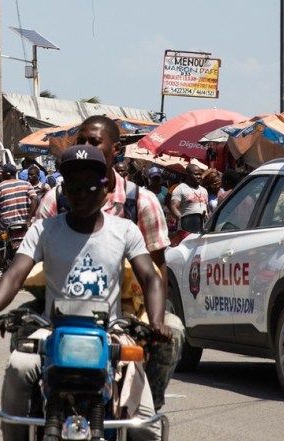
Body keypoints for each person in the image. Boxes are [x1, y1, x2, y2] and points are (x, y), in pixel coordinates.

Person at [0, 145, 172, 441]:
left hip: (111, 333)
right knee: (19, 365)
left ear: (104, 188)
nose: (81, 194)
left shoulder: (125, 230)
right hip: (52, 331)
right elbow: (14, 275)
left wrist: (156, 321)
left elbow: (150, 278)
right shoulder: (44, 230)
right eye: (74, 187)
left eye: (90, 186)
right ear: (64, 189)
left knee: (146, 429)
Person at [36, 115, 183, 411]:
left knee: (173, 332)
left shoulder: (142, 202)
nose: (86, 146)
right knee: (21, 345)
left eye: (94, 141)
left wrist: (154, 321)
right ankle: (35, 410)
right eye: (81, 141)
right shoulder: (55, 200)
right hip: (64, 307)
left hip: (127, 312)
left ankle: (145, 410)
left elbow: (156, 270)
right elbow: (33, 266)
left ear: (115, 149)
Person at [0, 163, 38, 251]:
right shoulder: (26, 184)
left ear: (6, 174)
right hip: (25, 222)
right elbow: (34, 199)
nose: (1, 175)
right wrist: (28, 219)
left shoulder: (0, 187)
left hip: (6, 223)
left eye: (2, 173)